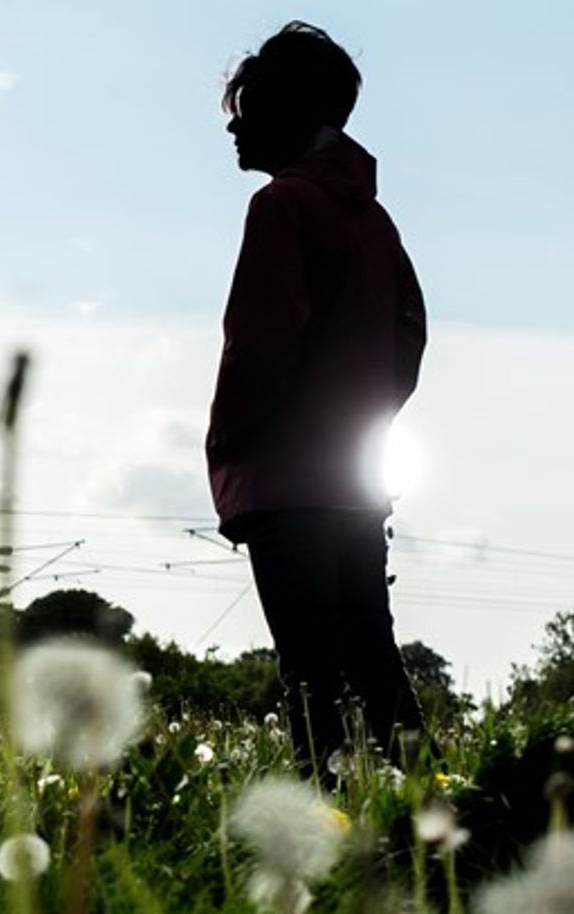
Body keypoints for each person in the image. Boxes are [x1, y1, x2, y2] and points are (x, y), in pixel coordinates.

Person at [206, 21, 429, 778]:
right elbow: (409, 340)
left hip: (287, 478)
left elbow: (259, 343)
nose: (233, 125)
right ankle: (432, 810)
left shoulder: (283, 208)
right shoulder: (374, 221)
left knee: (310, 675)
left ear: (287, 111)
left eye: (247, 106)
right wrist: (363, 415)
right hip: (355, 478)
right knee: (374, 655)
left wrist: (231, 444)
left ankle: (324, 826)